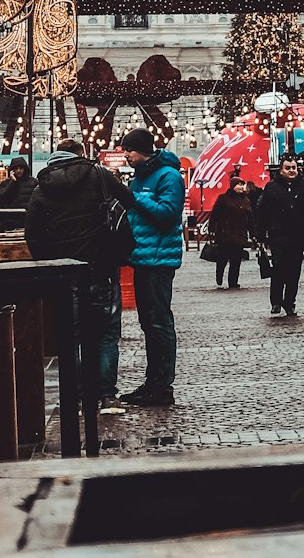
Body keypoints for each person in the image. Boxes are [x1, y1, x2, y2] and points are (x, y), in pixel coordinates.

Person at [25, 138, 135, 415]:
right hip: (102, 268)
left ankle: (74, 397)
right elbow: (129, 202)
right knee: (106, 334)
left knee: (69, 336)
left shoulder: (42, 188)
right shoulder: (99, 175)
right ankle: (107, 396)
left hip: (64, 274)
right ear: (81, 155)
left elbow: (33, 234)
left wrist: (49, 264)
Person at [119, 128, 186, 408]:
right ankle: (153, 381)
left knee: (159, 323)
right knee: (149, 323)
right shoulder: (141, 176)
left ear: (143, 150)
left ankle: (162, 385)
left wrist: (135, 199)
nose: (125, 155)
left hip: (159, 259)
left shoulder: (169, 176)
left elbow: (168, 213)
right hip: (143, 257)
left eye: (129, 150)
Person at [256, 155, 304, 316]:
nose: (292, 171)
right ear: (281, 170)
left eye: (294, 168)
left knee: (294, 270)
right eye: (288, 168)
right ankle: (276, 301)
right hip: (278, 234)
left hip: (298, 235)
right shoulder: (271, 187)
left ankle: (290, 301)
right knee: (278, 268)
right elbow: (263, 212)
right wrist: (261, 235)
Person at [208, 175, 252, 289]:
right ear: (233, 186)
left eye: (242, 184)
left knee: (236, 260)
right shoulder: (223, 198)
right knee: (223, 257)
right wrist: (211, 229)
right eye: (239, 184)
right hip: (225, 233)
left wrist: (253, 233)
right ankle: (219, 275)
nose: (241, 187)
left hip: (240, 234)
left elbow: (251, 218)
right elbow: (215, 214)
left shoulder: (246, 200)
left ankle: (233, 281)